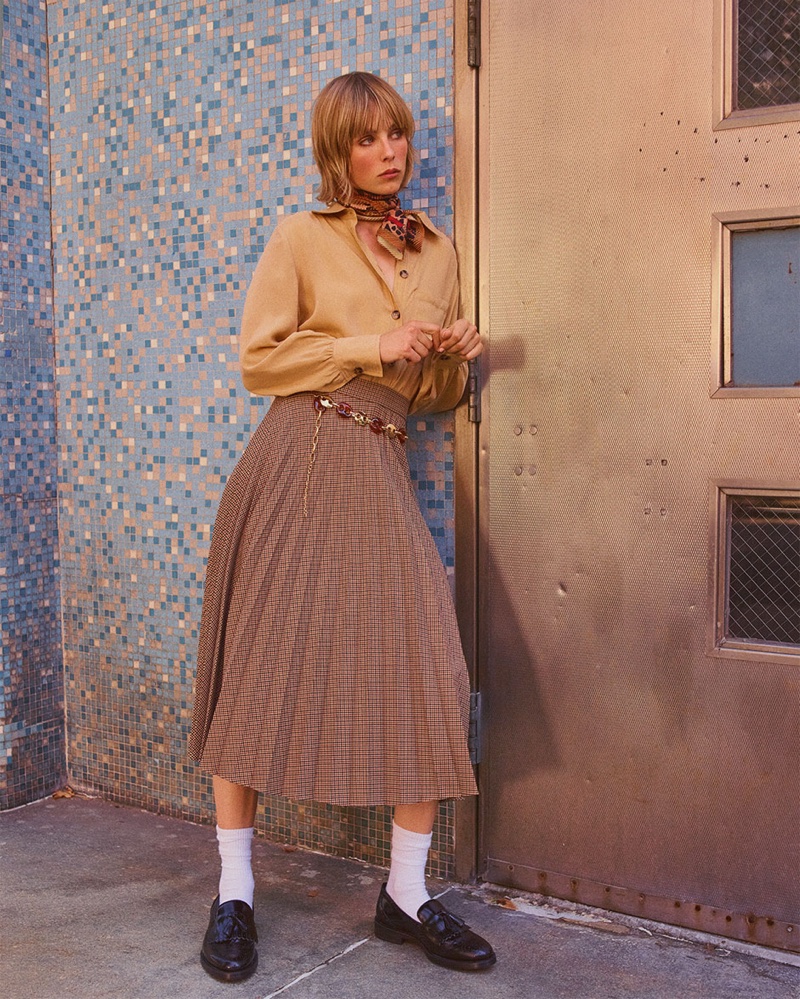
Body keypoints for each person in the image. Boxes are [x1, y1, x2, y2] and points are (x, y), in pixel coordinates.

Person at [188, 70, 496, 983]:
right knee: (255, 669)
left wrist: (454, 362)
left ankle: (405, 894)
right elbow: (259, 359)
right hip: (297, 452)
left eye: (397, 134)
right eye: (368, 139)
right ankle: (235, 892)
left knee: (427, 666)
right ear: (338, 151)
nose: (389, 152)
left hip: (378, 460)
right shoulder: (301, 237)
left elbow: (428, 397)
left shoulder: (437, 252)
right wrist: (371, 344)